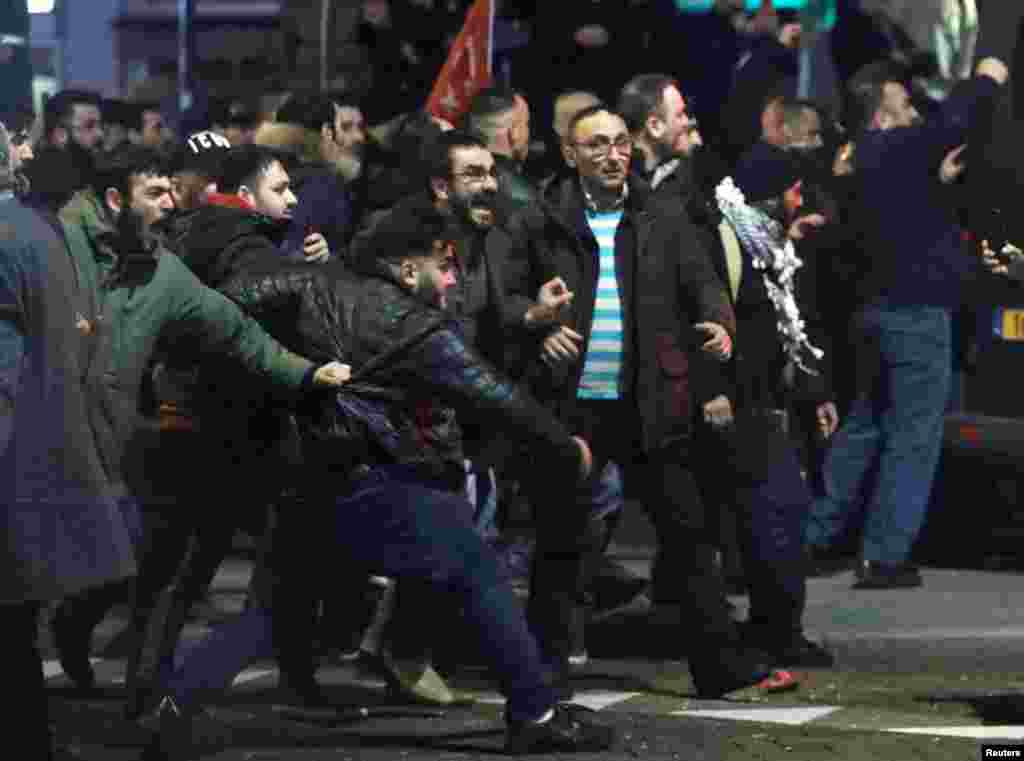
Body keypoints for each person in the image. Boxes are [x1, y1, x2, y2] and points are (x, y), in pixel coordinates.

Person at [145, 200, 617, 758]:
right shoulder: (415, 327)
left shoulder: (312, 282)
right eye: (444, 265)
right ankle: (535, 713)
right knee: (479, 571)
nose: (452, 279)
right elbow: (495, 396)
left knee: (268, 612)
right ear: (408, 267)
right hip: (388, 482)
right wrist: (565, 449)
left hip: (310, 477)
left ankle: (174, 707)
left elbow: (222, 307)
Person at [48, 144, 349, 691]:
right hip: (193, 422)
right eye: (280, 188)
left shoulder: (174, 251)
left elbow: (235, 328)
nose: (293, 199)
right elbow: (240, 306)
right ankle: (130, 666)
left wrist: (306, 368)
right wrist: (309, 279)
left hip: (208, 419)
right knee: (170, 561)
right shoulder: (225, 242)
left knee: (179, 558)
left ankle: (143, 673)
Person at [525, 104, 795, 697]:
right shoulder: (542, 219)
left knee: (689, 536)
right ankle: (539, 672)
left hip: (649, 399)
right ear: (570, 154)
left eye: (621, 143)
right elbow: (512, 297)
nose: (613, 155)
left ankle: (719, 668)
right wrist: (536, 325)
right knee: (561, 540)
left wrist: (718, 324)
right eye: (596, 145)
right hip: (573, 404)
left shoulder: (660, 213)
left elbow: (703, 283)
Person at [804, 56, 1009, 589]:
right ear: (880, 114)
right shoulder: (896, 147)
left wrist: (936, 182)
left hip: (870, 311)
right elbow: (955, 120)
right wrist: (987, 77)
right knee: (913, 435)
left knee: (864, 426)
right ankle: (884, 554)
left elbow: (901, 214)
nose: (915, 111)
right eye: (903, 103)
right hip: (915, 313)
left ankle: (810, 537)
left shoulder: (853, 160)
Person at [0, 123, 135, 761]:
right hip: (30, 459)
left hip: (12, 461)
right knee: (13, 640)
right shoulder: (31, 230)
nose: (23, 149)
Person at [257, 92, 367, 259]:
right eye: (342, 128)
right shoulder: (326, 185)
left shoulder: (257, 174)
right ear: (326, 132)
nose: (358, 137)